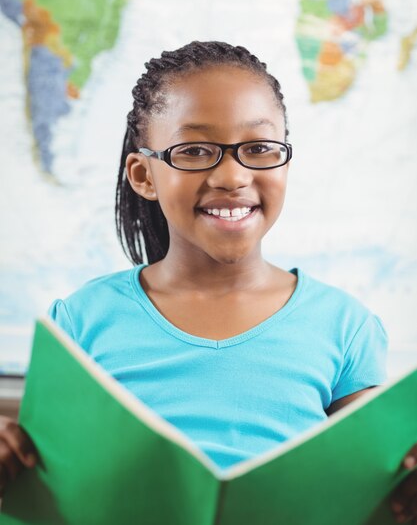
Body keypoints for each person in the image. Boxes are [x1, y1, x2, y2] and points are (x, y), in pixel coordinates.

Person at [0, 41, 415, 520]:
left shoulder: (346, 327)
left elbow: (372, 482)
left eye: (259, 148)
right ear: (143, 175)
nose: (233, 176)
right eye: (195, 150)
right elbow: (46, 478)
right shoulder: (78, 323)